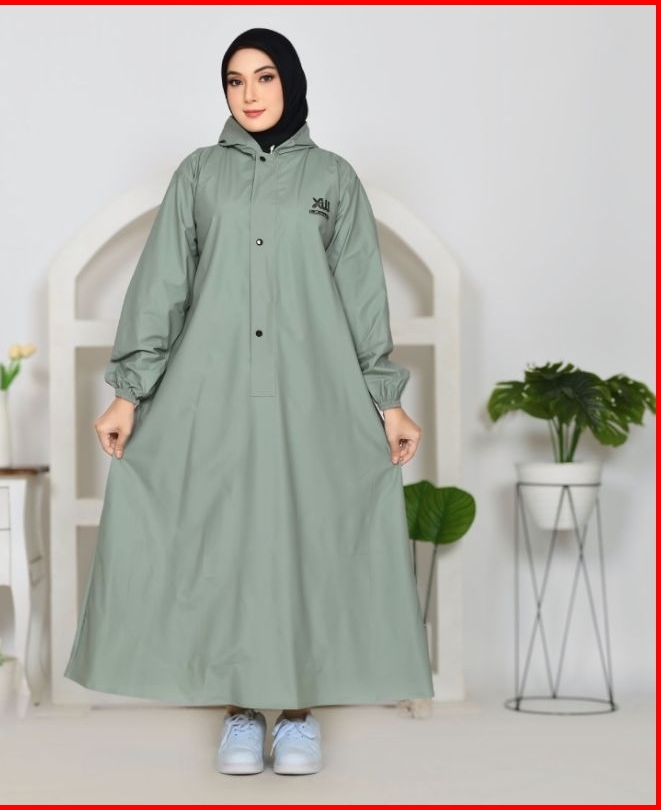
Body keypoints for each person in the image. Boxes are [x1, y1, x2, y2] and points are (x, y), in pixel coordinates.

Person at [66, 28, 433, 776]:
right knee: (225, 541)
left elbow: (362, 295)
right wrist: (128, 393)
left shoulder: (333, 178)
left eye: (264, 77)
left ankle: (296, 714)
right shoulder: (200, 174)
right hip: (212, 390)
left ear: (290, 82)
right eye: (236, 81)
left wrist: (386, 400)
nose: (251, 93)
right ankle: (238, 710)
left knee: (305, 540)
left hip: (314, 393)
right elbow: (163, 283)